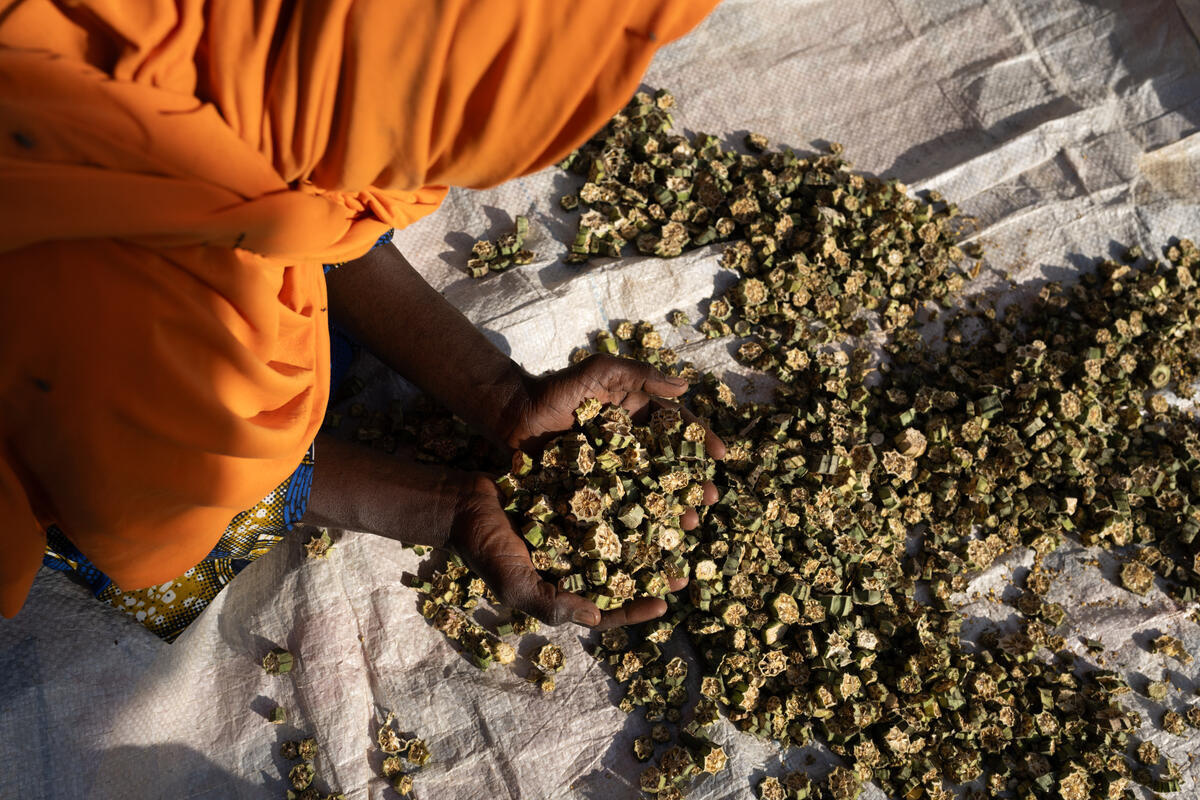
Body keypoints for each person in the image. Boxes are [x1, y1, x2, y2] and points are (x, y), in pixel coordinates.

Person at [0, 1, 723, 641]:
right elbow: (133, 481)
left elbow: (298, 197)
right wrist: (434, 508)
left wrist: (498, 393)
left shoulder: (267, 68)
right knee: (160, 565)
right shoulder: (88, 302)